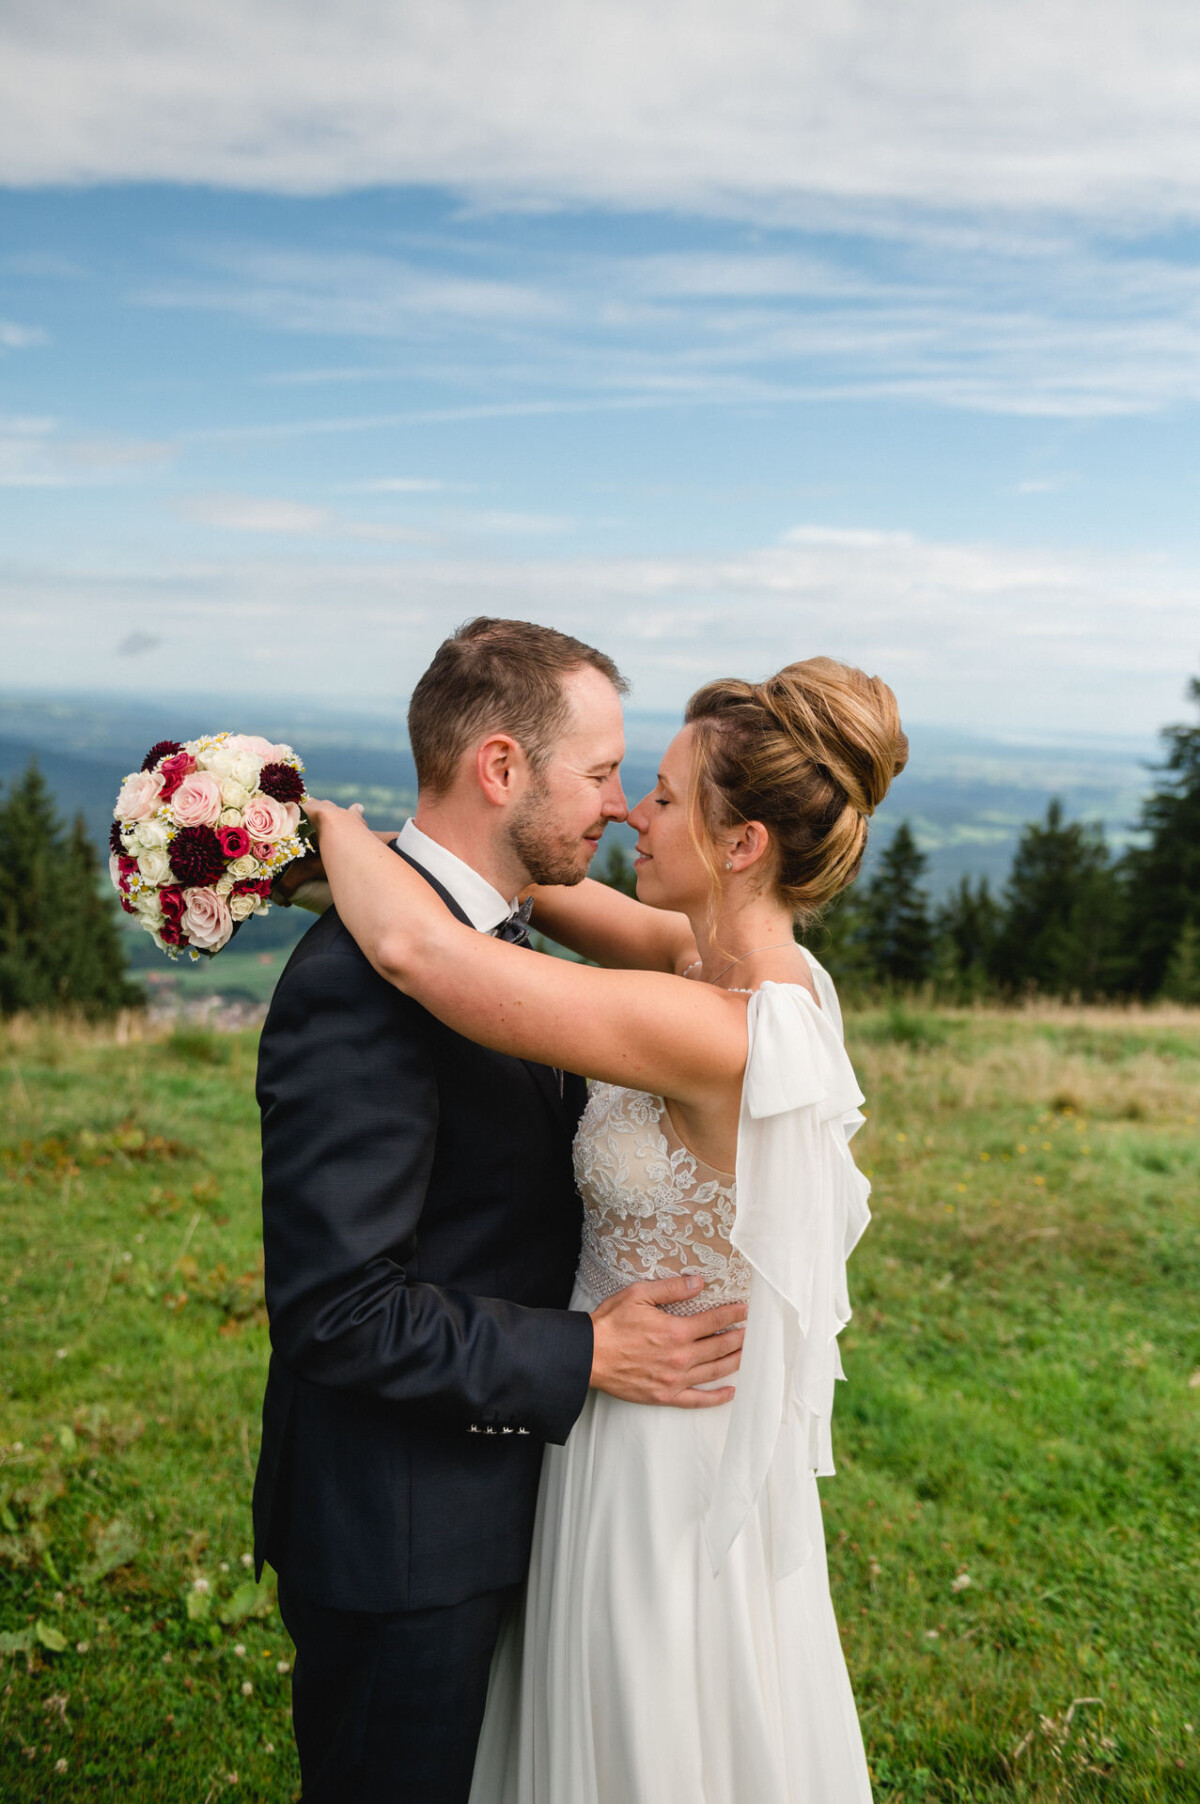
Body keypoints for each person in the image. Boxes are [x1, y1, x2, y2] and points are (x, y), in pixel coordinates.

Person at [304, 653, 908, 1804]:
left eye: (666, 795)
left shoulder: (716, 1030)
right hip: (629, 1412)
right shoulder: (734, 967)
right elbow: (528, 884)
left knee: (645, 1722)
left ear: (743, 845)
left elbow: (423, 951)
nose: (634, 806)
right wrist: (411, 844)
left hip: (652, 1445)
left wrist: (324, 828)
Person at [252, 618, 749, 1804]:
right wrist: (587, 1348)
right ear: (500, 768)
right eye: (598, 772)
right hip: (403, 1538)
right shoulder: (356, 986)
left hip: (510, 1498)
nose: (622, 806)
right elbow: (337, 1313)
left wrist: (352, 851)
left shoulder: (488, 930)